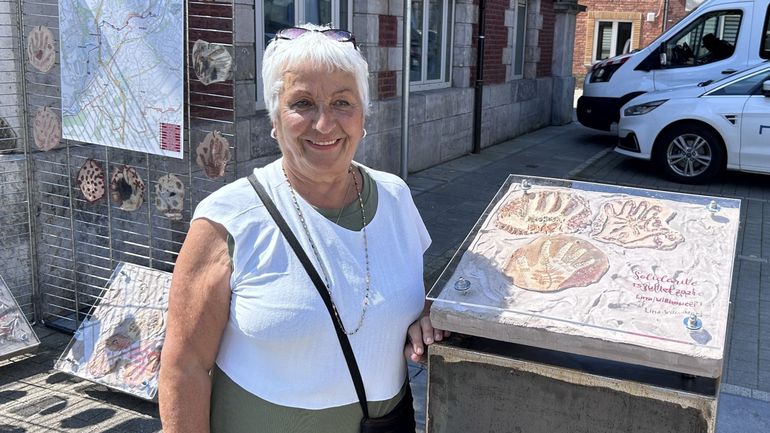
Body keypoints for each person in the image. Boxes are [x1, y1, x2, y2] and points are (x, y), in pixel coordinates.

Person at [159, 23, 448, 433]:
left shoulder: (396, 197)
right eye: (303, 103)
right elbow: (183, 366)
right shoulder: (228, 218)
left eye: (342, 102)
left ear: (363, 114)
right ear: (275, 118)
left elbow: (402, 294)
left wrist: (423, 315)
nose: (325, 123)